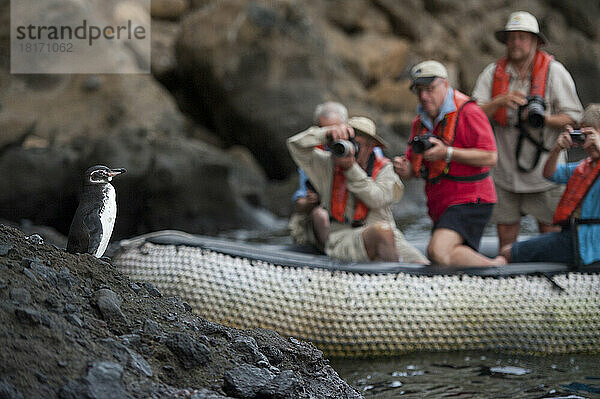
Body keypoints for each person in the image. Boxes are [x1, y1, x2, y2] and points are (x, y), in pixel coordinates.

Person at [471, 11, 583, 249]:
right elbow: (472, 115)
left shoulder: (555, 72)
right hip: (504, 173)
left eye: (523, 37)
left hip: (545, 174)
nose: (516, 43)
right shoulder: (492, 73)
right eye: (512, 37)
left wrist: (543, 118)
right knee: (506, 233)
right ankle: (508, 279)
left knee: (551, 232)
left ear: (535, 42)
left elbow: (575, 117)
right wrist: (499, 101)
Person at [393, 60, 505, 267]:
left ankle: (498, 267)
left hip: (471, 199)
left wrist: (448, 153)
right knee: (445, 257)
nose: (424, 96)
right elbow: (413, 169)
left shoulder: (469, 112)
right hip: (441, 203)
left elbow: (490, 157)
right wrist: (405, 169)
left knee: (437, 251)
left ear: (445, 84)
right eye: (419, 91)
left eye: (429, 89)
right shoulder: (420, 122)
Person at [287, 116, 428, 263]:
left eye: (357, 144)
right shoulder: (327, 164)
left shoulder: (386, 170)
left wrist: (351, 169)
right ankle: (394, 281)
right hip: (342, 238)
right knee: (382, 232)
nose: (352, 148)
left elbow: (376, 198)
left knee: (423, 266)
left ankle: (393, 277)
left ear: (370, 146)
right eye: (349, 142)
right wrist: (327, 133)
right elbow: (294, 145)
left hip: (388, 237)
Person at [500, 104, 600, 266]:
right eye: (582, 136)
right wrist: (557, 149)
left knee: (507, 254)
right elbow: (550, 174)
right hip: (573, 238)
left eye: (591, 136)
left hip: (591, 245)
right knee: (507, 251)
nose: (587, 144)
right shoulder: (585, 166)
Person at [288, 102, 347, 250]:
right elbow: (299, 201)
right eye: (326, 130)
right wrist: (309, 202)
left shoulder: (363, 149)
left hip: (351, 212)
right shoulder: (313, 155)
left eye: (335, 129)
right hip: (324, 214)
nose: (332, 136)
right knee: (320, 215)